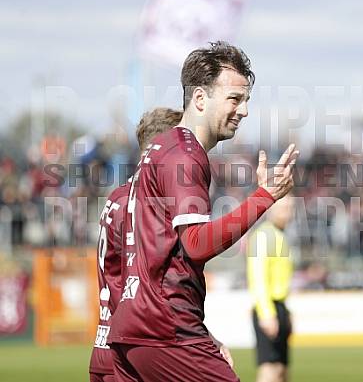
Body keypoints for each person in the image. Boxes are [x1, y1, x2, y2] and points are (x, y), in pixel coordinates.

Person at [108, 41, 300, 382]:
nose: (243, 110)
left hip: (133, 328)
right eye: (234, 99)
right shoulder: (185, 154)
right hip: (166, 329)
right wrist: (264, 197)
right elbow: (195, 244)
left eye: (246, 100)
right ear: (200, 98)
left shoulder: (159, 149)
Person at [89, 108, 233, 381]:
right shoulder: (141, 203)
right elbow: (142, 283)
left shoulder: (121, 197)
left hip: (112, 340)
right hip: (134, 343)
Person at [247, 195, 295, 382]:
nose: (287, 213)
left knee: (281, 369)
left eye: (290, 208)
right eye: (283, 208)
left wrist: (286, 312)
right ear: (270, 209)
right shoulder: (263, 236)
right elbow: (257, 277)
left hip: (280, 307)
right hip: (268, 309)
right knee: (269, 369)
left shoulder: (280, 235)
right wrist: (267, 313)